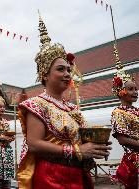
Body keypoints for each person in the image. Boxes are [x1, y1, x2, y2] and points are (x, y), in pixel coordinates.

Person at [17, 13, 112, 189]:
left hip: (78, 174)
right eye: (61, 69)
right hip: (51, 177)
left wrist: (94, 146)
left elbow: (80, 142)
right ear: (45, 74)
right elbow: (34, 144)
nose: (67, 74)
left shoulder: (72, 108)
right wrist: (76, 151)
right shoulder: (36, 104)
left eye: (69, 69)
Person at [110, 45, 139, 189]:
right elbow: (122, 139)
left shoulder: (137, 111)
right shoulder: (118, 112)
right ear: (121, 91)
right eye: (131, 89)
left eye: (136, 88)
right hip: (133, 160)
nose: (135, 91)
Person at [0, 76, 15, 189]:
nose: (2, 109)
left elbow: (8, 134)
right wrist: (0, 138)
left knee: (7, 181)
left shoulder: (5, 121)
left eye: (3, 107)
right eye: (0, 107)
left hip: (7, 152)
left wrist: (10, 138)